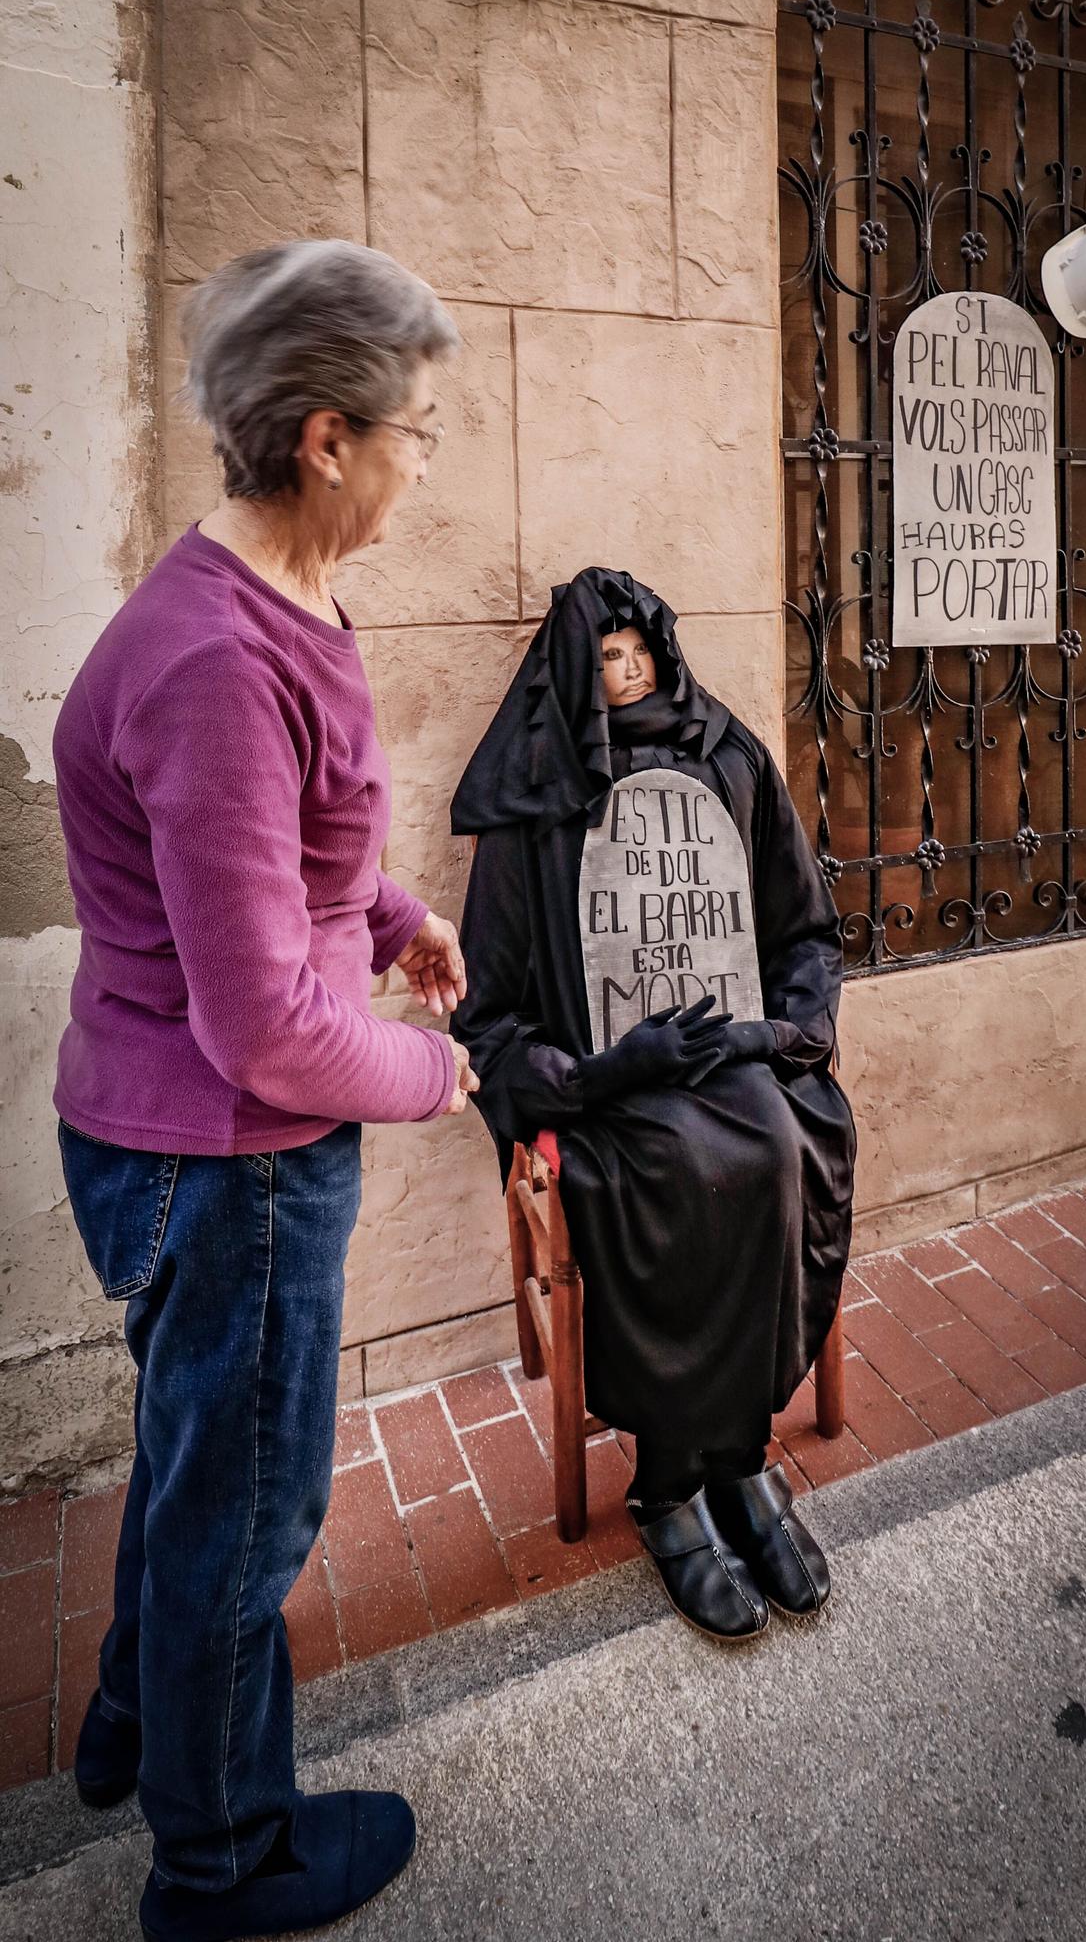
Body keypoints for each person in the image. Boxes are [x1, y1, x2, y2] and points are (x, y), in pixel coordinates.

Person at [51, 239, 479, 1942]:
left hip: (189, 1136)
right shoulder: (220, 660)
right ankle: (219, 1863)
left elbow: (274, 848)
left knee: (191, 1467)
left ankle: (135, 1730)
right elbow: (270, 1039)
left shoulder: (276, 599)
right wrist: (431, 1074)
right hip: (228, 1156)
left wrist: (387, 909)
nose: (419, 457)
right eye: (414, 429)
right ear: (323, 437)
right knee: (245, 1512)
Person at [450, 567, 856, 1643]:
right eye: (604, 660)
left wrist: (774, 1035)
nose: (625, 673)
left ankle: (737, 1452)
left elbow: (802, 932)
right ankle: (671, 1482)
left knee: (772, 1149)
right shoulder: (534, 803)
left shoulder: (726, 758)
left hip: (726, 1060)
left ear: (663, 654)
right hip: (606, 1091)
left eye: (638, 652)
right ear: (570, 678)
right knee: (674, 1178)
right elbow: (487, 1019)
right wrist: (595, 1074)